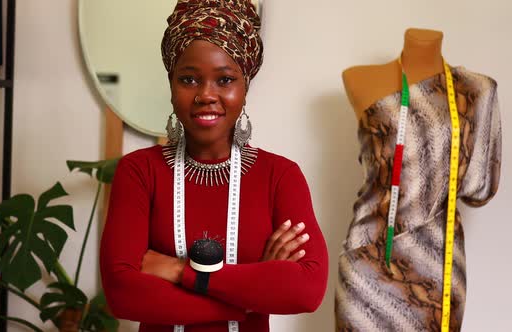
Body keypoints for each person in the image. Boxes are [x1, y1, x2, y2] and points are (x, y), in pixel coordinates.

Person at [100, 1, 328, 331]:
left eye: (224, 80)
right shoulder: (139, 172)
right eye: (189, 79)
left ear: (245, 88)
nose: (206, 94)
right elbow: (122, 295)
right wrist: (252, 291)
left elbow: (306, 290)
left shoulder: (279, 176)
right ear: (171, 85)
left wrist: (182, 272)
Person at [336, 28, 501, 331]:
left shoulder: (477, 90)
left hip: (435, 267)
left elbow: (479, 190)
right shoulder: (357, 78)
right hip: (366, 262)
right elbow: (477, 185)